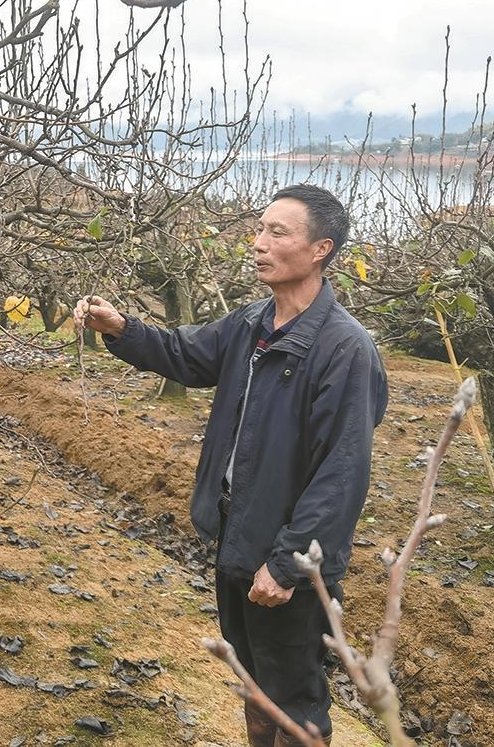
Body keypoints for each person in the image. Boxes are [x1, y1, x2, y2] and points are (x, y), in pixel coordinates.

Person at [75, 185, 387, 746]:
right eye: (259, 229)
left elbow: (342, 475)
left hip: (287, 558)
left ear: (321, 249)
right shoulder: (250, 324)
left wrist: (289, 564)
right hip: (238, 539)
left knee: (293, 699)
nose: (259, 244)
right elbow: (185, 355)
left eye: (277, 233)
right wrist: (122, 328)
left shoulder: (345, 350)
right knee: (252, 682)